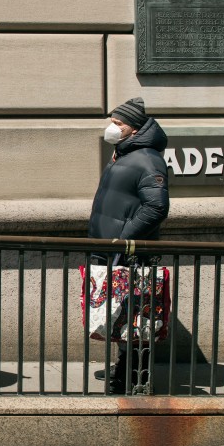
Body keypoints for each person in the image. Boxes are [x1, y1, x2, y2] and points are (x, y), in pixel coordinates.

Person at [89, 97, 169, 394]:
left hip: (128, 253)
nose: (112, 127)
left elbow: (156, 207)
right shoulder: (123, 155)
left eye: (118, 123)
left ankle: (133, 379)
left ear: (134, 129)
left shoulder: (148, 160)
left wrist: (124, 241)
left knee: (135, 317)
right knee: (120, 314)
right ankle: (123, 370)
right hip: (111, 249)